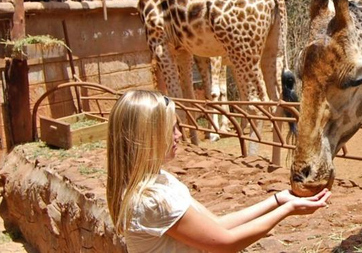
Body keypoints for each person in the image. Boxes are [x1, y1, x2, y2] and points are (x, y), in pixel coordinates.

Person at [107, 90, 331, 252]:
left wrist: (277, 200)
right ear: (148, 136)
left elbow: (216, 224)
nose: (179, 135)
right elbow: (225, 242)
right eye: (171, 128)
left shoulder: (160, 180)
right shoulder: (152, 200)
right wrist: (288, 210)